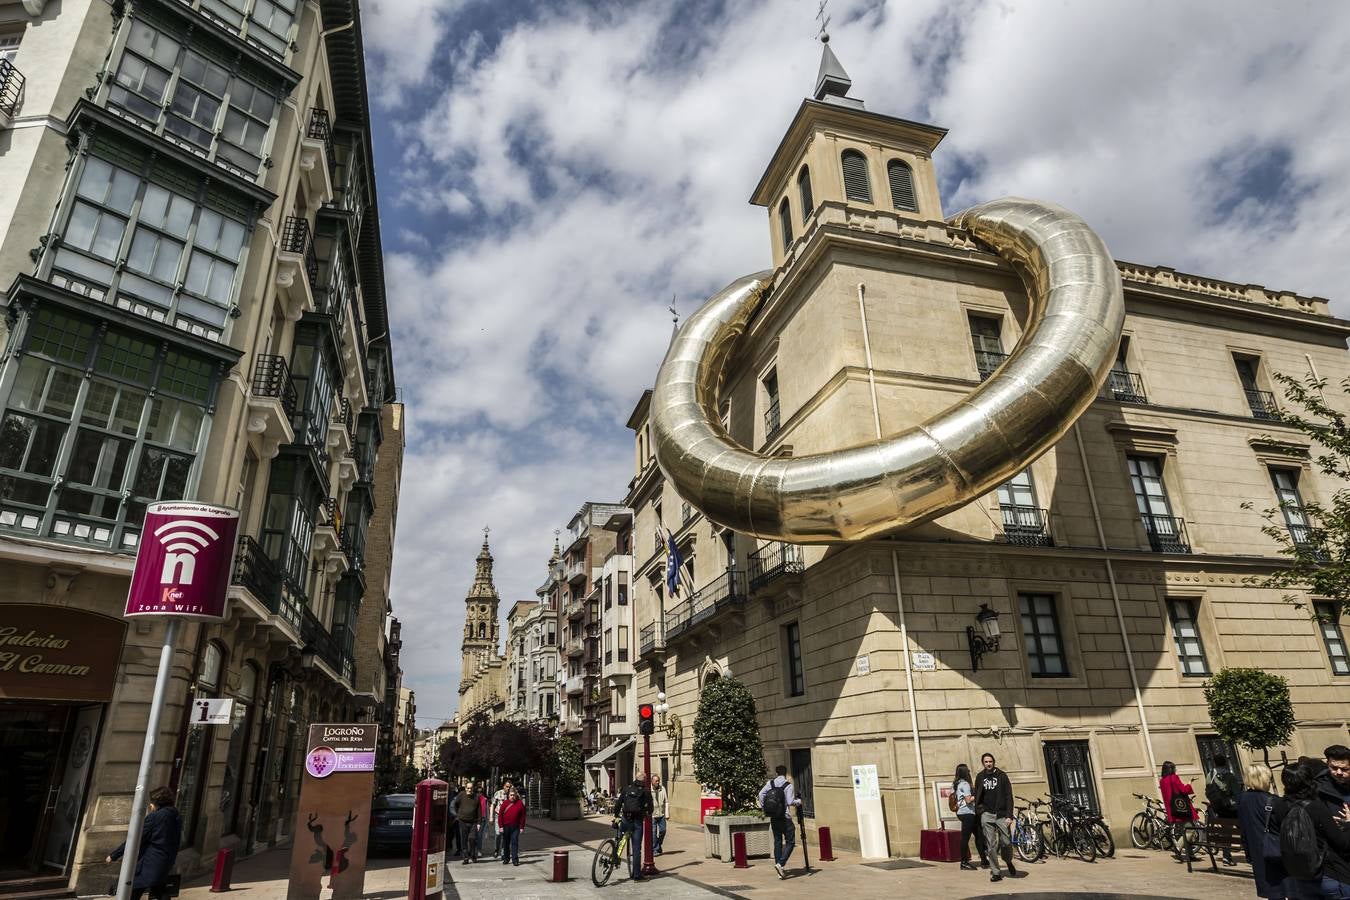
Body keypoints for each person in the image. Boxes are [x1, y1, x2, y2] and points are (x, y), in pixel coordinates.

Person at [1280, 759, 1350, 899]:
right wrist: (1348, 824)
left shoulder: (1281, 806)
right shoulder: (1316, 807)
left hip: (1301, 877)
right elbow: (1343, 844)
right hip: (1330, 874)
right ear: (1310, 781)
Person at [105, 787, 181, 900]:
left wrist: (114, 855)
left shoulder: (155, 817)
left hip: (150, 863)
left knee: (135, 889)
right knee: (159, 889)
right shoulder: (176, 815)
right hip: (166, 860)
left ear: (155, 803)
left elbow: (136, 839)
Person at [1238, 763, 1295, 900]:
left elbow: (1244, 829)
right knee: (1289, 890)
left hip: (1258, 852)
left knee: (1273, 893)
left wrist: (1248, 854)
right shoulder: (1274, 801)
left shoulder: (1242, 799)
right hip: (1277, 853)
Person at [973, 753, 1021, 882]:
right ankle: (996, 872)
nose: (988, 763)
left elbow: (1008, 796)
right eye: (986, 762)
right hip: (986, 815)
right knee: (991, 845)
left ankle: (1008, 861)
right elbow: (977, 794)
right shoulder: (980, 777)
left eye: (990, 761)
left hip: (1001, 815)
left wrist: (1009, 815)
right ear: (983, 763)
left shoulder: (1002, 776)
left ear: (994, 762)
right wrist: (981, 811)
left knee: (1006, 842)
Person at [759, 765, 802, 879]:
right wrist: (798, 801)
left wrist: (766, 807)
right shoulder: (788, 785)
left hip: (774, 817)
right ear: (786, 773)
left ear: (777, 773)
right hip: (785, 817)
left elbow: (761, 794)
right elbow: (790, 801)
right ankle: (781, 864)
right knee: (790, 841)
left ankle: (779, 868)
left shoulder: (770, 783)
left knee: (777, 841)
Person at [1207, 753, 1244, 864]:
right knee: (1244, 829)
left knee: (1226, 833)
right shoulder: (1229, 776)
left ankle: (1226, 856)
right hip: (1233, 810)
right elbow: (1237, 793)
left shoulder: (1210, 775)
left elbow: (1208, 792)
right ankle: (1249, 853)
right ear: (1225, 762)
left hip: (1219, 809)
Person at [616, 777, 653, 881]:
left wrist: (615, 815)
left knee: (620, 838)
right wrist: (647, 813)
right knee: (636, 848)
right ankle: (637, 875)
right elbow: (651, 807)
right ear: (644, 780)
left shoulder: (626, 788)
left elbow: (618, 803)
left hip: (625, 819)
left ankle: (615, 854)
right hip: (637, 821)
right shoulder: (645, 791)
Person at [952, 763, 987, 871]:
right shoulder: (965, 784)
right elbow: (968, 800)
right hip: (967, 813)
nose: (969, 772)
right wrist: (978, 794)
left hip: (962, 813)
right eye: (968, 771)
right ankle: (964, 862)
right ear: (965, 772)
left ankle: (984, 860)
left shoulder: (956, 784)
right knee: (966, 838)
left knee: (979, 835)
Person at [1160, 760, 1197, 861]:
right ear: (1172, 769)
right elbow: (1184, 790)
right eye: (1175, 767)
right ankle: (1178, 847)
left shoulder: (1162, 781)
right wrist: (1189, 783)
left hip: (1173, 810)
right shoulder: (1174, 778)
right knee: (1190, 831)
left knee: (1184, 831)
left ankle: (1191, 855)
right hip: (1182, 809)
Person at [1317, 746, 1350, 820]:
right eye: (1334, 768)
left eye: (1344, 769)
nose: (1339, 772)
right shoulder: (1318, 787)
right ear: (1327, 764)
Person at [497, 787, 527, 867]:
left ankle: (515, 860)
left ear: (516, 795)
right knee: (506, 843)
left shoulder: (520, 804)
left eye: (514, 795)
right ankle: (506, 858)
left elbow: (523, 816)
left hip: (515, 827)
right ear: (508, 795)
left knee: (514, 842)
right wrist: (501, 826)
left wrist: (521, 827)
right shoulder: (505, 803)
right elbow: (500, 815)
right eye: (511, 795)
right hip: (506, 826)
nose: (512, 797)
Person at [455, 782, 482, 864]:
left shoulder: (476, 797)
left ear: (473, 789)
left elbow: (479, 811)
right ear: (465, 788)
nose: (469, 790)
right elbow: (456, 804)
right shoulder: (461, 795)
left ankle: (473, 855)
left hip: (473, 822)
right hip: (463, 821)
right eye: (468, 788)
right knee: (464, 840)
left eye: (471, 788)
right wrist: (459, 814)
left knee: (472, 839)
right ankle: (465, 858)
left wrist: (479, 823)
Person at [490, 779, 512, 859]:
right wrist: (491, 817)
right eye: (506, 787)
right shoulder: (498, 793)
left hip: (508, 818)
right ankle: (496, 849)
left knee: (505, 835)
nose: (508, 788)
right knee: (498, 834)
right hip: (498, 816)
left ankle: (503, 852)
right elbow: (492, 805)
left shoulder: (512, 795)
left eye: (509, 787)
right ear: (503, 786)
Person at [651, 774, 669, 856]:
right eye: (656, 781)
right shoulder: (649, 790)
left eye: (658, 781)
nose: (658, 782)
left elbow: (666, 801)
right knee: (653, 833)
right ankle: (655, 849)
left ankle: (658, 845)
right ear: (652, 781)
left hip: (661, 815)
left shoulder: (663, 789)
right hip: (653, 815)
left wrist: (667, 813)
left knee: (663, 831)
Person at [448, 783, 463, 857]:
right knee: (450, 833)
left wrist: (457, 816)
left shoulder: (457, 795)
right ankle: (449, 846)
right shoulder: (448, 795)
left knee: (458, 834)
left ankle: (459, 849)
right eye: (450, 787)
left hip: (457, 817)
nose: (451, 788)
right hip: (450, 816)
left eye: (452, 787)